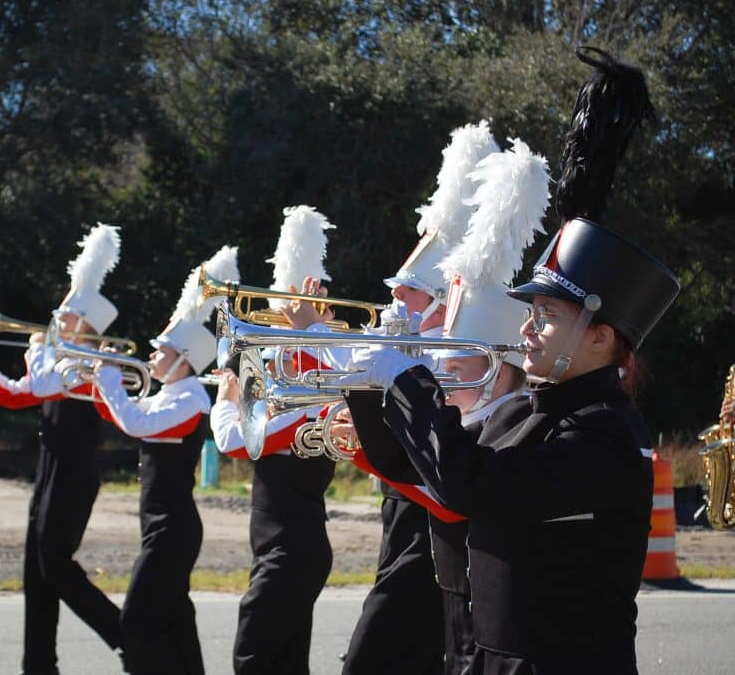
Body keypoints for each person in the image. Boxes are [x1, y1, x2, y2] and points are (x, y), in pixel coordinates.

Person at [345, 49, 679, 674]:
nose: (527, 328)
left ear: (603, 338)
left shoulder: (604, 436)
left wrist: (407, 378)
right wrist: (366, 379)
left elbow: (472, 484)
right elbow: (409, 465)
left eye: (547, 316)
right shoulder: (528, 409)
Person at [286, 122, 500, 675]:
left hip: (429, 516)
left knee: (373, 658)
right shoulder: (414, 343)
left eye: (407, 289)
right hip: (403, 509)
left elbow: (384, 387)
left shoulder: (449, 352)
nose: (392, 294)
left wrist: (316, 337)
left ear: (436, 300)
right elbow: (356, 374)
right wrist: (313, 337)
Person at [0, 223, 126, 675]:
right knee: (35, 572)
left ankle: (124, 635)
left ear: (84, 328)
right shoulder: (62, 358)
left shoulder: (82, 366)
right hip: (51, 468)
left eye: (66, 315)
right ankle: (38, 665)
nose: (56, 317)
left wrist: (35, 353)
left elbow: (31, 388)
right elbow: (19, 390)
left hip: (73, 473)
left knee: (54, 564)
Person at [92, 246, 239, 675]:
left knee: (135, 622)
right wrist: (101, 383)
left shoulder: (191, 400)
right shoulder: (171, 394)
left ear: (184, 361)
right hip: (161, 524)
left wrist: (105, 379)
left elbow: (135, 423)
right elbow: (128, 414)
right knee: (176, 619)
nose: (152, 356)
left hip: (171, 527)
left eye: (161, 351)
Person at [210, 206, 336, 675]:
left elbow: (234, 441)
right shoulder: (290, 394)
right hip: (281, 548)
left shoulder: (310, 404)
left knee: (252, 656)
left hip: (292, 551)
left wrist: (227, 397)